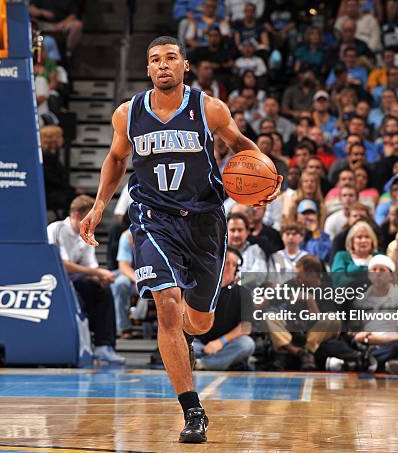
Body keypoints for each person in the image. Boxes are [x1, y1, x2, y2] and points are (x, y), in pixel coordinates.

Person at [78, 36, 280, 444]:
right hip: (154, 219)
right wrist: (100, 206)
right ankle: (193, 410)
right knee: (166, 305)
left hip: (204, 221)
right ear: (148, 68)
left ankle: (188, 325)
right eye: (155, 60)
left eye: (171, 58)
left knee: (199, 321)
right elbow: (117, 160)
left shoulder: (208, 107)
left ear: (185, 66)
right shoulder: (127, 114)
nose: (163, 65)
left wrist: (267, 181)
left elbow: (242, 146)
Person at [47, 195, 125, 366]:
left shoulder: (86, 235)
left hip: (76, 283)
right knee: (93, 283)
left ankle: (105, 346)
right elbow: (63, 266)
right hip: (54, 283)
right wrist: (97, 273)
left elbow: (91, 267)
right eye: (88, 217)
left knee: (102, 288)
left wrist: (100, 277)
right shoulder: (57, 229)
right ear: (76, 214)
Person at [193, 246, 255, 371]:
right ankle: (223, 361)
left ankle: (202, 364)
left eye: (233, 264)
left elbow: (246, 327)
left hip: (228, 343)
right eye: (226, 263)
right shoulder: (199, 287)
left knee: (247, 344)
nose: (229, 267)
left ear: (237, 269)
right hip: (199, 343)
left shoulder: (244, 293)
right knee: (184, 343)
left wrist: (221, 342)